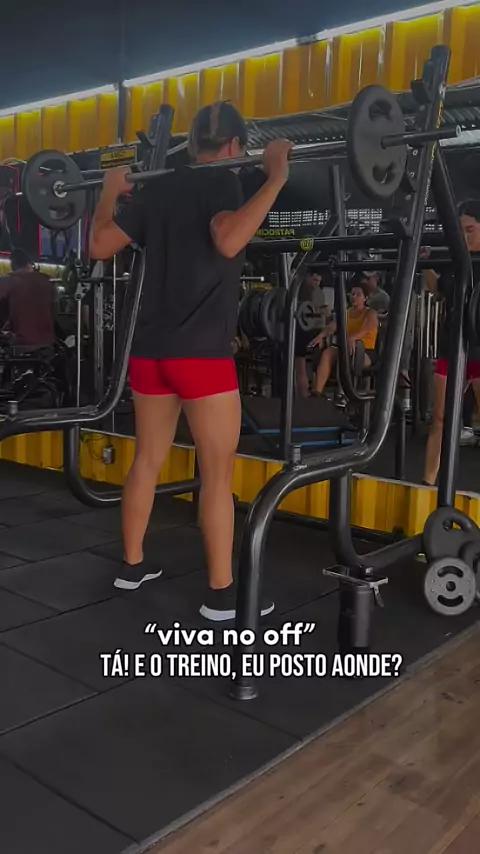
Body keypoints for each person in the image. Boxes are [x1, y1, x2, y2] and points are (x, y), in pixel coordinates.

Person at [89, 100, 293, 622]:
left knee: (146, 459)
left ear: (194, 142)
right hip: (200, 356)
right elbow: (228, 239)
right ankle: (221, 594)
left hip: (150, 353)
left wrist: (110, 191)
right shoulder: (225, 181)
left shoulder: (159, 188)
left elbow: (100, 245)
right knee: (217, 476)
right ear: (233, 146)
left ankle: (132, 565)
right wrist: (274, 177)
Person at [423, 199, 480, 486]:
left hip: (479, 347)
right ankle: (426, 484)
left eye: (470, 230)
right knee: (440, 418)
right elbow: (439, 291)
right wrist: (424, 263)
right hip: (452, 343)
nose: (464, 237)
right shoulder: (455, 260)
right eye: (460, 232)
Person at [309, 284, 378, 395]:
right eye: (352, 294)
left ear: (365, 298)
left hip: (365, 351)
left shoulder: (370, 313)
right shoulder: (345, 313)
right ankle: (317, 392)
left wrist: (352, 338)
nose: (354, 296)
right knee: (328, 353)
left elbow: (367, 328)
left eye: (358, 294)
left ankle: (345, 393)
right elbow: (332, 326)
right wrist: (321, 336)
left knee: (349, 355)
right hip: (346, 348)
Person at [0, 248, 55, 347]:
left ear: (13, 266)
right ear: (29, 264)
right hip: (48, 341)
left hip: (23, 342)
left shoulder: (9, 281)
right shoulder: (47, 282)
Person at [294, 271, 331, 397]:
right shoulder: (297, 291)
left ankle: (312, 396)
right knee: (300, 367)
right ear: (307, 277)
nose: (316, 284)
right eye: (314, 280)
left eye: (319, 281)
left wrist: (324, 313)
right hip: (300, 330)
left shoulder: (319, 293)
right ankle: (303, 396)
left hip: (315, 332)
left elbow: (321, 316)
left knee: (308, 366)